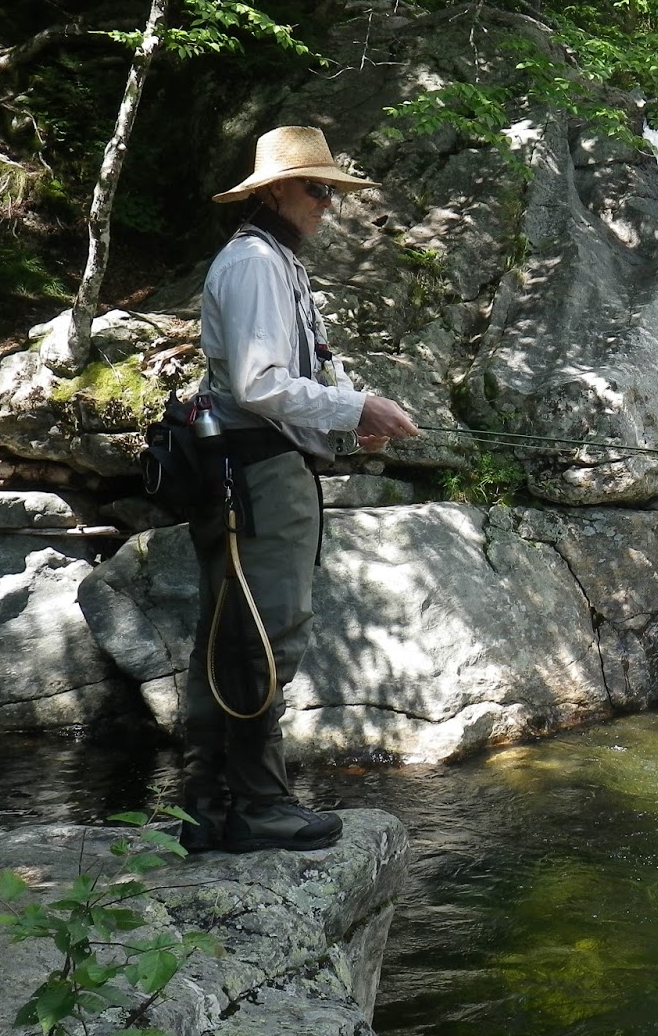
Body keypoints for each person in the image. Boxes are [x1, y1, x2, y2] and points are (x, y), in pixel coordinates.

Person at [178, 125, 418, 853]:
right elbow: (259, 385)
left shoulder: (275, 261)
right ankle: (257, 806)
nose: (328, 205)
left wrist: (352, 420)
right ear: (276, 190)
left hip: (262, 471)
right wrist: (356, 410)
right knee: (262, 633)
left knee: (235, 633)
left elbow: (295, 375)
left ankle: (209, 808)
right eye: (318, 189)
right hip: (256, 476)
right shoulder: (254, 264)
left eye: (332, 191)